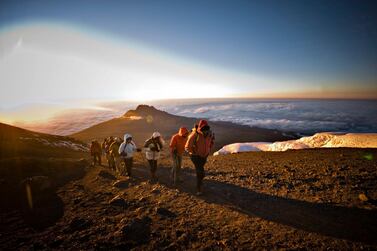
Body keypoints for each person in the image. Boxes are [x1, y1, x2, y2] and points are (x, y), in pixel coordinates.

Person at [185, 120, 215, 195]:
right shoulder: (195, 135)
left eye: (206, 128)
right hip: (195, 156)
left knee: (201, 171)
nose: (205, 130)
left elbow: (211, 142)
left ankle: (200, 182)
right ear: (200, 128)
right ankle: (199, 189)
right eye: (203, 128)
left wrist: (208, 151)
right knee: (200, 171)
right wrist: (194, 152)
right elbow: (187, 147)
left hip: (204, 156)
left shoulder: (210, 134)